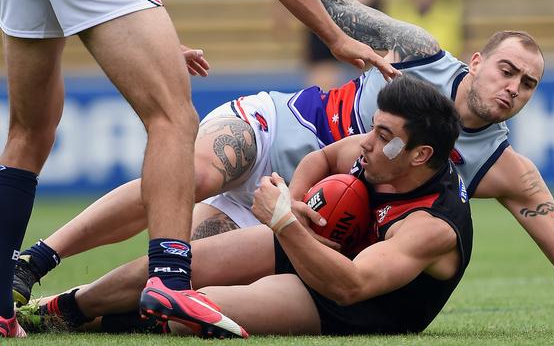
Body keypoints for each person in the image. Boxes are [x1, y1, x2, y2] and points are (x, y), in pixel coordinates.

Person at [13, 0, 554, 333]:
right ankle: (36, 259)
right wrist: (290, 206)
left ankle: (54, 312)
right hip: (280, 132)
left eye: (528, 85)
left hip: (315, 222)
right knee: (192, 171)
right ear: (476, 61)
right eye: (507, 70)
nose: (513, 89)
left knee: (183, 273)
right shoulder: (418, 53)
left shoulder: (503, 167)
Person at [0, 0, 400, 339]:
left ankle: (13, 295)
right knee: (174, 119)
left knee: (29, 133)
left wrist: (148, 34)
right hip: (269, 127)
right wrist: (334, 36)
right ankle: (168, 282)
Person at [23, 76, 473, 336]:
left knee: (193, 313)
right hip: (319, 245)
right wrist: (295, 203)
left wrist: (282, 222)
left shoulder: (430, 226)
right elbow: (322, 157)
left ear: (420, 156)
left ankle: (99, 322)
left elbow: (350, 286)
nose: (369, 143)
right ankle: (59, 308)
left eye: (385, 137)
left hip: (355, 304)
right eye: (374, 129)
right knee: (178, 269)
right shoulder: (379, 151)